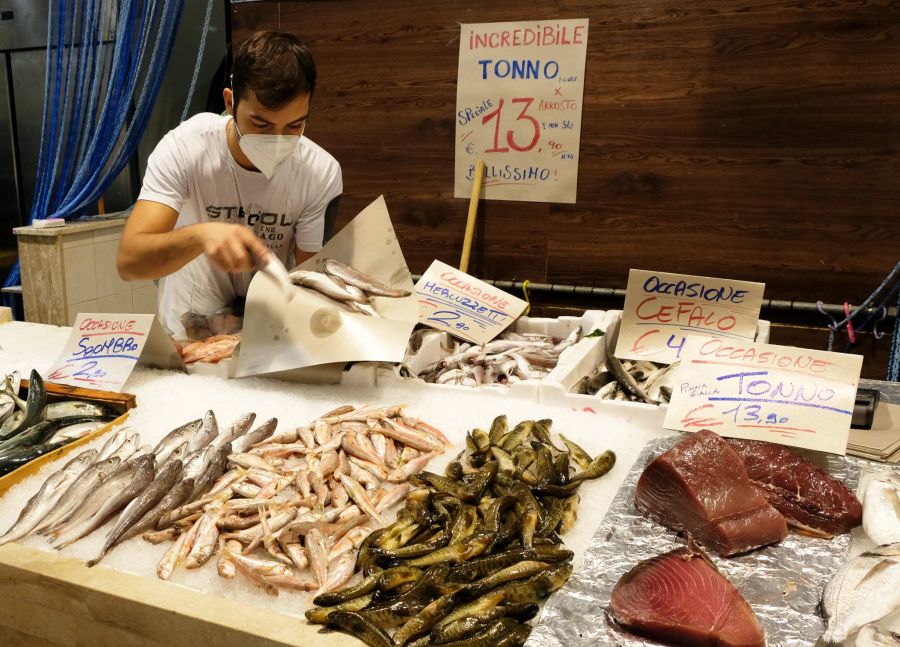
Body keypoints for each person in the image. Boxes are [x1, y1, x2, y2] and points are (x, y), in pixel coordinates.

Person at [117, 31, 342, 339]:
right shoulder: (185, 148)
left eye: (294, 125)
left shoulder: (319, 172)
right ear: (230, 102)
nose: (278, 140)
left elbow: (309, 280)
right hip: (189, 329)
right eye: (260, 124)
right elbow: (131, 262)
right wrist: (201, 235)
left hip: (269, 330)